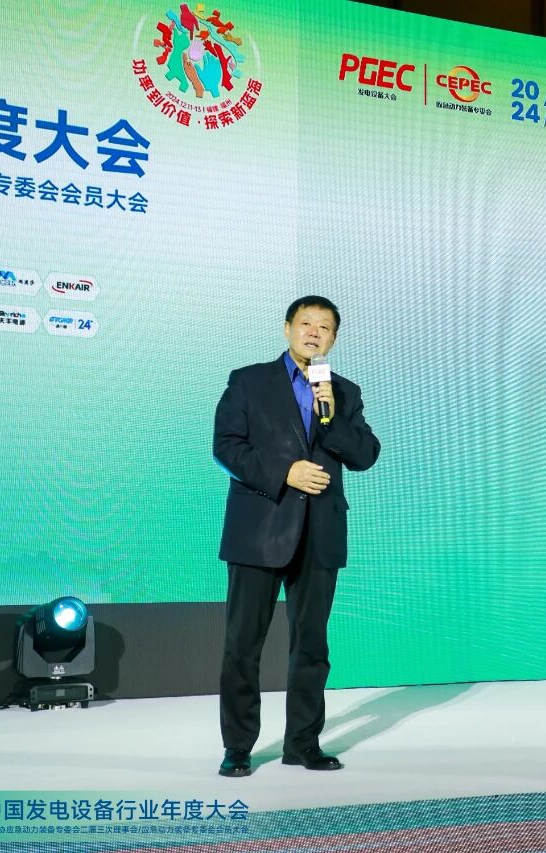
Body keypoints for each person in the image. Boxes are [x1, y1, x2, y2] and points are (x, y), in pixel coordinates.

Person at [213, 295, 380, 777]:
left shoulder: (343, 392)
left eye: (324, 328)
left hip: (320, 533)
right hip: (259, 530)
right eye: (306, 323)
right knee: (243, 645)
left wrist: (332, 417)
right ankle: (238, 747)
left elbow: (365, 455)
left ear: (334, 339)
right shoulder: (249, 381)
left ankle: (303, 743)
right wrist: (285, 472)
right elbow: (226, 446)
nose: (314, 333)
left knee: (311, 647)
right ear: (287, 328)